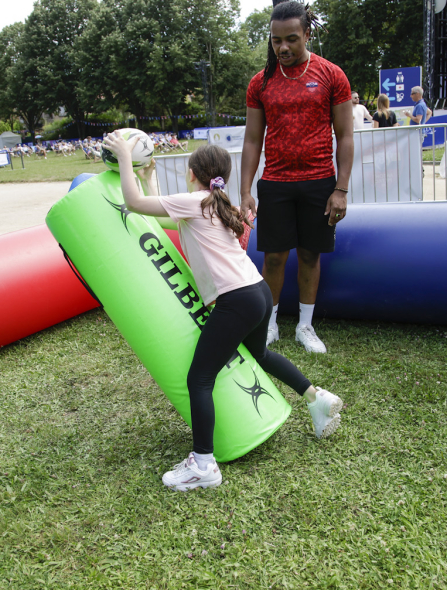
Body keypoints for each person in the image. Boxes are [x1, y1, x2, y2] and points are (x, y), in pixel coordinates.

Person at [103, 134, 344, 492]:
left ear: (193, 173)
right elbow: (161, 215)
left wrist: (125, 157)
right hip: (258, 292)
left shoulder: (195, 201)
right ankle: (317, 398)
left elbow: (135, 203)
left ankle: (204, 464)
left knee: (199, 379)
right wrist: (147, 176)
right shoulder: (213, 203)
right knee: (260, 354)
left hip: (237, 299)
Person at [240, 1, 354, 354]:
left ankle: (305, 327)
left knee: (309, 255)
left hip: (320, 182)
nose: (283, 48)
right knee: (273, 258)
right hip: (275, 183)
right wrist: (245, 189)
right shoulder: (261, 82)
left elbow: (345, 136)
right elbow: (252, 139)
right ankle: (270, 324)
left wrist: (341, 190)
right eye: (276, 41)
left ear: (307, 34)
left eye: (291, 39)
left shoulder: (332, 75)